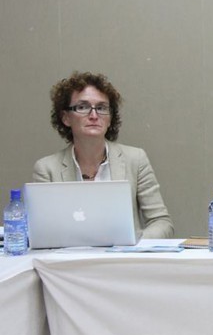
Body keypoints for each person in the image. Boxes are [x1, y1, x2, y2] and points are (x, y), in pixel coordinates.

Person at [33, 71, 174, 239]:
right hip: (70, 262)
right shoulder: (47, 169)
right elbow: (42, 232)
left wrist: (134, 243)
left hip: (123, 261)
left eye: (101, 108)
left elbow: (162, 222)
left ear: (109, 119)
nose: (94, 115)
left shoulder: (135, 159)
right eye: (83, 107)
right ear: (66, 118)